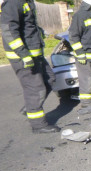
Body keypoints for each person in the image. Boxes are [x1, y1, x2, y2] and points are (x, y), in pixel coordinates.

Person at [1, 0, 60, 134]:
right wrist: (23, 54)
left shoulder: (26, 2)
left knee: (50, 79)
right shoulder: (13, 3)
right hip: (23, 57)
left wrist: (39, 32)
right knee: (35, 89)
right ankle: (38, 125)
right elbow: (8, 31)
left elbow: (27, 26)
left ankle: (30, 108)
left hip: (35, 55)